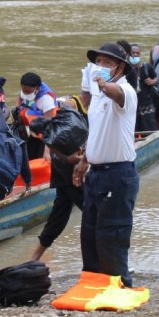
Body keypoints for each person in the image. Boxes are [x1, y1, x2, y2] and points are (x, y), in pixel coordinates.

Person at [72, 42, 139, 288]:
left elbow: (117, 94)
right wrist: (84, 160)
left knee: (112, 236)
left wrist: (102, 83)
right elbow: (98, 132)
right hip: (97, 173)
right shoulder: (98, 97)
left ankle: (121, 287)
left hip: (118, 174)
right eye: (98, 62)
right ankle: (94, 286)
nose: (100, 67)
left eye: (107, 63)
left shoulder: (125, 91)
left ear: (120, 67)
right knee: (90, 234)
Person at [30, 96, 85, 262]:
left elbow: (68, 158)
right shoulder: (63, 127)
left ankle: (34, 258)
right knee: (93, 216)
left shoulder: (55, 138)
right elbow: (70, 159)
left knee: (57, 220)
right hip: (71, 181)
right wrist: (81, 158)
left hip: (68, 180)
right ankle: (102, 260)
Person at [16, 72, 58, 160]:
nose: (25, 93)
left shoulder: (46, 100)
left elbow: (48, 125)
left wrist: (46, 152)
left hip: (42, 132)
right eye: (23, 90)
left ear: (37, 88)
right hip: (33, 127)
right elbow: (20, 97)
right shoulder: (27, 89)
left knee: (39, 157)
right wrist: (17, 109)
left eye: (27, 92)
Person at [130, 43, 158, 132]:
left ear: (140, 54)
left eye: (137, 53)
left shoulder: (147, 67)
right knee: (133, 130)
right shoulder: (125, 69)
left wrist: (152, 81)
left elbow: (157, 78)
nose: (135, 55)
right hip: (132, 105)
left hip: (147, 104)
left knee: (150, 129)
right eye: (133, 53)